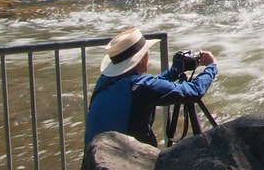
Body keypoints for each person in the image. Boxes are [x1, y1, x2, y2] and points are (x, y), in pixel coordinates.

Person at [84, 27, 217, 147]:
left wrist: (175, 71)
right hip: (129, 159)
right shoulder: (141, 87)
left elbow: (149, 87)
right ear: (141, 59)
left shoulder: (104, 81)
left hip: (95, 155)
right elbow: (194, 91)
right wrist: (211, 67)